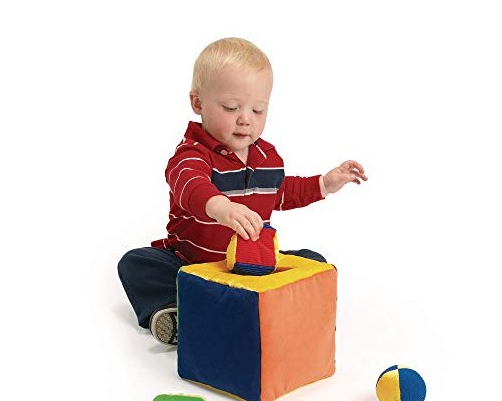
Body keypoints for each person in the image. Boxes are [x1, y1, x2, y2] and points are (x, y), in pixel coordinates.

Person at [118, 37, 367, 344]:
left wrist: (324, 184)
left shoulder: (267, 156)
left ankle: (283, 313)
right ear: (198, 103)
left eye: (258, 110)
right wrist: (220, 206)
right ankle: (177, 311)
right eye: (231, 107)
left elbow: (281, 193)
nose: (245, 119)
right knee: (137, 263)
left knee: (312, 260)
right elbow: (190, 185)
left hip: (251, 267)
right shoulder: (191, 154)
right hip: (194, 267)